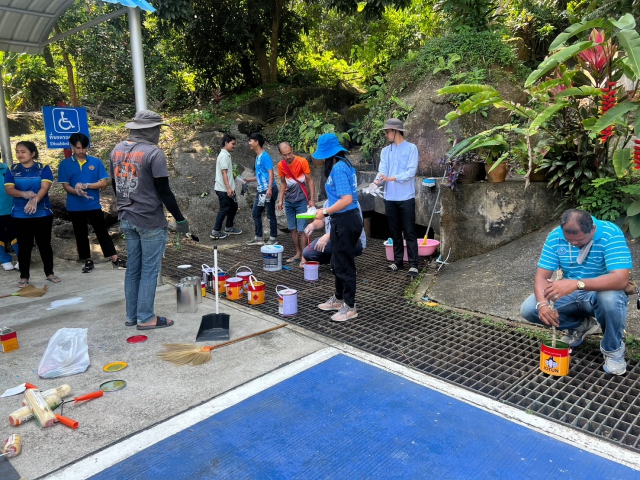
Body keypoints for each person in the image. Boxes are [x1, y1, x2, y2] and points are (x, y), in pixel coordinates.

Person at [520, 209, 632, 375]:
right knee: (530, 308)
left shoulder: (610, 233)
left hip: (598, 292)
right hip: (568, 291)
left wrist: (576, 284)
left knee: (610, 298)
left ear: (593, 229)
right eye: (569, 240)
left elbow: (621, 279)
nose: (573, 243)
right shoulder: (555, 236)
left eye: (579, 240)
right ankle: (580, 326)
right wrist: (543, 304)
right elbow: (542, 277)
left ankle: (613, 350)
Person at [110, 110, 190, 330]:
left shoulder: (116, 150)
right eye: (157, 128)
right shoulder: (154, 153)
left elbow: (116, 184)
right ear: (149, 129)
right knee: (149, 270)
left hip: (127, 218)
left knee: (133, 268)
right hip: (149, 220)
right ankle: (145, 318)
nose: (159, 133)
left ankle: (131, 316)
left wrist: (125, 205)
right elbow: (164, 191)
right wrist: (180, 220)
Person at [58, 133, 126, 273]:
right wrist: (77, 191)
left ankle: (114, 258)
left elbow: (104, 182)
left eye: (84, 148)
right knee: (81, 234)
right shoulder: (65, 164)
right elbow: (65, 186)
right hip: (75, 207)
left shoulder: (95, 162)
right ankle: (87, 260)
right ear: (72, 147)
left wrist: (86, 185)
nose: (81, 151)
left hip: (93, 205)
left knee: (102, 232)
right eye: (78, 148)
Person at [311, 133, 361, 322]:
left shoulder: (339, 168)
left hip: (346, 219)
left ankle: (350, 306)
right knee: (338, 261)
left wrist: (325, 212)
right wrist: (326, 211)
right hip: (343, 219)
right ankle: (339, 298)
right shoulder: (344, 164)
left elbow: (347, 199)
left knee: (344, 263)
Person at [368, 118, 419, 278]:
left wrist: (392, 178)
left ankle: (413, 264)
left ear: (396, 131)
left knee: (409, 231)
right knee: (395, 231)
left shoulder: (411, 148)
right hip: (390, 197)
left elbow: (411, 171)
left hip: (406, 197)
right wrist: (375, 183)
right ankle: (398, 261)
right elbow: (382, 171)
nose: (386, 135)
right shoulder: (385, 151)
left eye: (388, 131)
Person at [3, 141, 59, 287]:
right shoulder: (12, 169)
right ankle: (24, 276)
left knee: (44, 244)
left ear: (32, 153)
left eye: (23, 151)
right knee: (24, 246)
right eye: (17, 151)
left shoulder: (43, 168)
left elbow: (45, 187)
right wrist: (23, 194)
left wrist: (35, 200)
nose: (19, 154)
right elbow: (9, 190)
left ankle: (49, 273)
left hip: (42, 213)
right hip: (19, 215)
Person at [276, 142, 315, 264]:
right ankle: (298, 253)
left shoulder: (302, 161)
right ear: (280, 154)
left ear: (292, 150)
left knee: (302, 229)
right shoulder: (281, 165)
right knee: (292, 228)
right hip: (289, 200)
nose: (288, 157)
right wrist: (280, 200)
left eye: (289, 153)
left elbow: (310, 180)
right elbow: (283, 182)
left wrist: (312, 199)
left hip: (302, 200)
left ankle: (305, 256)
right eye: (285, 155)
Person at [303, 200, 366, 264]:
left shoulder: (351, 203)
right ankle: (335, 261)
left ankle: (343, 261)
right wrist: (312, 225)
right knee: (308, 253)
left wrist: (328, 236)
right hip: (333, 239)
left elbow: (348, 227)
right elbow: (323, 220)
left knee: (311, 251)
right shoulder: (327, 203)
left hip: (352, 239)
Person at [244, 133, 278, 246]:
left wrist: (269, 189)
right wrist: (249, 180)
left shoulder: (265, 156)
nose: (249, 143)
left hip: (268, 190)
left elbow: (271, 173)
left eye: (251, 140)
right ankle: (258, 238)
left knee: (270, 214)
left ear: (257, 142)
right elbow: (262, 175)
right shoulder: (258, 157)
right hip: (261, 191)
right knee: (256, 213)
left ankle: (273, 238)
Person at [210, 134, 242, 240]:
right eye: (233, 144)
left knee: (233, 207)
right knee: (224, 209)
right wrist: (228, 188)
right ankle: (215, 231)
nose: (234, 146)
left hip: (228, 188)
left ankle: (229, 227)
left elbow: (228, 173)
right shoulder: (223, 156)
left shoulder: (226, 155)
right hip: (223, 189)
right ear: (226, 143)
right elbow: (224, 173)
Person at [0, 157, 18, 271]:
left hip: (12, 209)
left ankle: (22, 258)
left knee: (15, 235)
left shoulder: (8, 169)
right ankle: (5, 260)